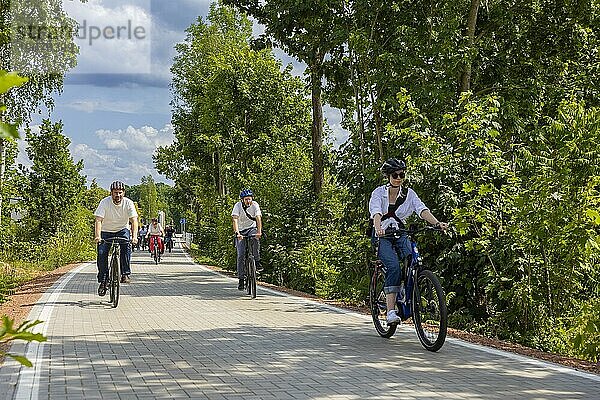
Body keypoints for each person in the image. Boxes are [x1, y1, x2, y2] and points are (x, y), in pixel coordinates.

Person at [369, 158, 448, 325]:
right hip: (382, 235)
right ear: (388, 176)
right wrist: (378, 228)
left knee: (413, 258)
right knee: (394, 267)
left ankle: (405, 290)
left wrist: (437, 223)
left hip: (400, 233)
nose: (398, 178)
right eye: (395, 175)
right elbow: (376, 212)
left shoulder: (409, 194)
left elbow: (422, 209)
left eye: (401, 175)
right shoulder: (378, 193)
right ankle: (390, 311)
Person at [94, 181, 139, 296]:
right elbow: (98, 220)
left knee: (126, 246)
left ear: (123, 193)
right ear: (111, 193)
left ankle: (125, 274)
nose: (118, 195)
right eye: (115, 193)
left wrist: (134, 237)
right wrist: (98, 236)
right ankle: (103, 281)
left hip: (122, 230)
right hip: (106, 231)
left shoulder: (128, 203)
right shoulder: (104, 202)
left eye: (120, 193)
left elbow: (134, 221)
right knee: (101, 253)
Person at [232, 189, 262, 290]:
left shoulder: (255, 205)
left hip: (251, 228)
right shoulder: (237, 206)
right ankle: (241, 279)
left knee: (255, 239)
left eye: (249, 199)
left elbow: (258, 218)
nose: (248, 201)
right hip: (240, 231)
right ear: (242, 200)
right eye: (246, 199)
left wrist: (259, 231)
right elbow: (235, 219)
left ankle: (257, 261)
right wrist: (237, 233)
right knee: (240, 255)